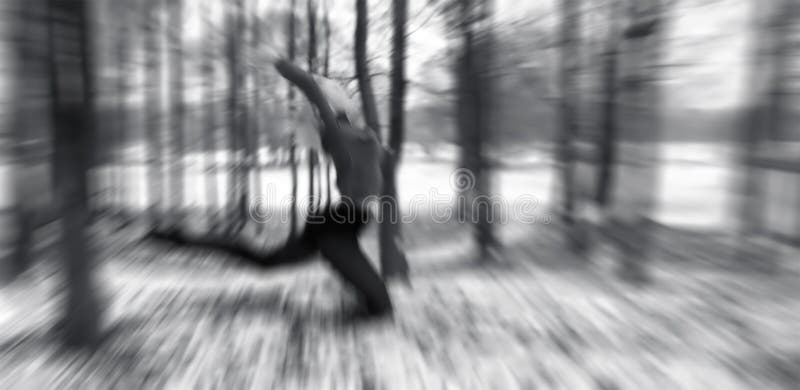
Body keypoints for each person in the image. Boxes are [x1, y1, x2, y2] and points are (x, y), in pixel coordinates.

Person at [149, 59, 393, 318]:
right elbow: (318, 97)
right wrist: (288, 70)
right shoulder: (350, 139)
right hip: (337, 226)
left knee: (266, 262)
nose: (326, 136)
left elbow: (337, 111)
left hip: (340, 221)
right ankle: (179, 238)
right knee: (380, 305)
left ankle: (180, 238)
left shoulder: (361, 136)